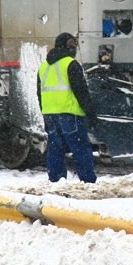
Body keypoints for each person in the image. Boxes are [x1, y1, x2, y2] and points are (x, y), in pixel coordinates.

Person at [38, 32, 98, 183]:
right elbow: (81, 92)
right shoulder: (71, 64)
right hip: (70, 113)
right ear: (67, 46)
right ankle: (87, 181)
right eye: (72, 45)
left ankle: (56, 181)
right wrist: (90, 114)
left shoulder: (43, 67)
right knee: (80, 148)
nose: (74, 49)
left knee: (55, 149)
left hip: (50, 114)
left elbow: (40, 95)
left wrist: (45, 117)